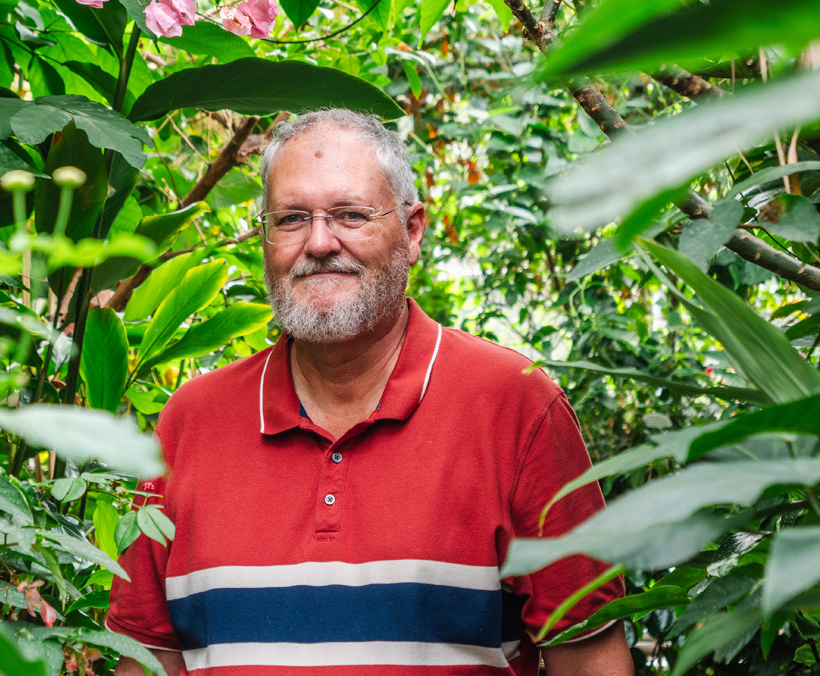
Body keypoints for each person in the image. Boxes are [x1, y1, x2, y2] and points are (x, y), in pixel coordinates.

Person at [109, 109, 632, 676]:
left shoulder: (516, 406)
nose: (318, 242)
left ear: (411, 232)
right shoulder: (189, 423)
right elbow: (143, 660)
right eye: (289, 219)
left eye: (350, 215)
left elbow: (590, 662)